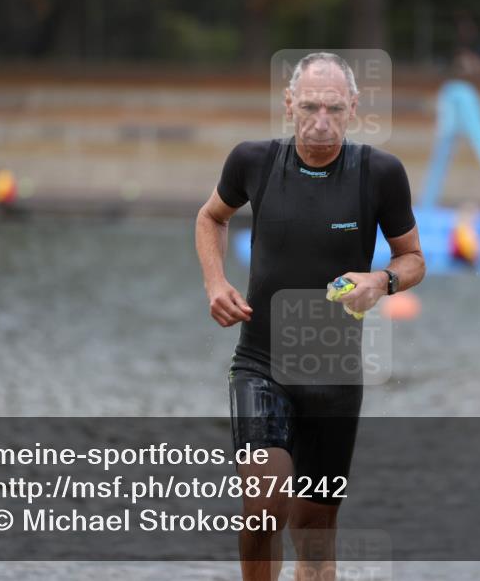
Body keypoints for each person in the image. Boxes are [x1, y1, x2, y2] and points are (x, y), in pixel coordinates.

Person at [195, 52, 425, 581]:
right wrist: (215, 282)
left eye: (334, 109)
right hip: (260, 362)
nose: (321, 123)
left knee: (316, 542)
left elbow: (413, 260)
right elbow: (211, 217)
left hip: (335, 375)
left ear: (354, 108)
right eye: (310, 107)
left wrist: (381, 280)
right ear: (288, 104)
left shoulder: (380, 173)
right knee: (265, 503)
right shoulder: (252, 162)